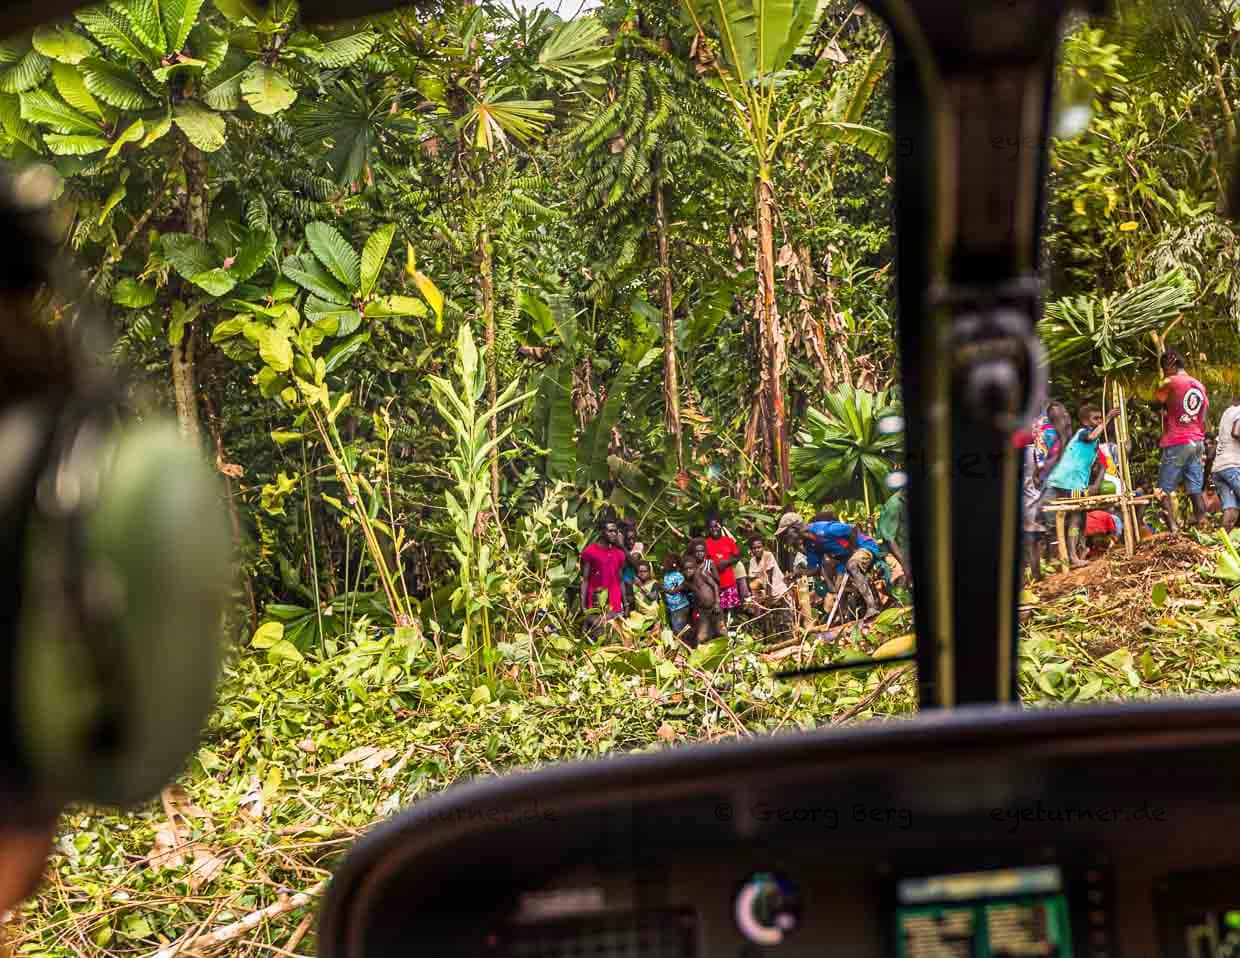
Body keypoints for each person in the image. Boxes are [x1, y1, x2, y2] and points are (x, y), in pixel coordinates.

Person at [1045, 404, 1120, 568]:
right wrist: (1108, 418)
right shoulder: (1083, 433)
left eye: (1100, 417)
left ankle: (1077, 551)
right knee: (1075, 519)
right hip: (1070, 481)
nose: (1099, 421)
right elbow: (1092, 436)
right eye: (1096, 418)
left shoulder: (1094, 438)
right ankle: (1072, 557)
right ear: (1085, 422)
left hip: (1069, 481)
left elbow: (1100, 461)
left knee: (1077, 518)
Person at [1154, 349, 1209, 531]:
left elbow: (1158, 402)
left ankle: (1173, 530)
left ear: (1170, 365)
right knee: (1194, 488)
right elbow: (1204, 415)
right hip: (1197, 442)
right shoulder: (1199, 385)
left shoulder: (1170, 381)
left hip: (1178, 442)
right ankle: (1202, 524)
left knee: (1162, 490)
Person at [1022, 401, 1070, 581]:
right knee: (1042, 529)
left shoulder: (1051, 433)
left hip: (1047, 486)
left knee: (1046, 527)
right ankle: (1042, 571)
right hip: (1040, 486)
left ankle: (1052, 567)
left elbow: (1048, 461)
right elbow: (1040, 460)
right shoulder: (1047, 433)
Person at [579, 519, 628, 621]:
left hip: (615, 606)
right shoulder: (590, 551)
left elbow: (620, 580)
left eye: (616, 531)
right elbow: (585, 580)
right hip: (596, 603)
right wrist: (583, 606)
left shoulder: (619, 554)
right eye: (610, 531)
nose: (614, 534)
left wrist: (626, 603)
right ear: (601, 532)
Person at [746, 535, 792, 638]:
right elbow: (753, 580)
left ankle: (789, 638)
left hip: (778, 590)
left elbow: (769, 576)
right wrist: (755, 599)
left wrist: (768, 595)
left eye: (759, 547)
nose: (757, 549)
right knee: (773, 621)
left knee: (785, 618)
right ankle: (776, 640)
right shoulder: (752, 561)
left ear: (763, 547)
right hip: (767, 593)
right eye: (754, 548)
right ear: (751, 549)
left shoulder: (768, 555)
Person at [703, 513, 744, 623]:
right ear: (708, 529)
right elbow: (704, 563)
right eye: (711, 527)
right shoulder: (706, 543)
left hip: (730, 582)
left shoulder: (728, 541)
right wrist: (714, 567)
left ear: (720, 526)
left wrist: (726, 562)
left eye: (716, 526)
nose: (714, 529)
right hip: (716, 585)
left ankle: (735, 632)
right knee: (720, 613)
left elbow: (737, 556)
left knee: (732, 612)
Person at [683, 553, 722, 648]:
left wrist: (717, 602)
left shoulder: (703, 574)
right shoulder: (688, 582)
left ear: (695, 568)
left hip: (714, 607)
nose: (688, 571)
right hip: (703, 611)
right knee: (702, 636)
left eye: (690, 568)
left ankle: (728, 651)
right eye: (686, 569)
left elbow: (715, 586)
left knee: (721, 630)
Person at [1214, 394, 1240, 531]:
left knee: (1231, 509)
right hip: (1233, 465)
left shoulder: (1228, 412)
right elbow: (1236, 432)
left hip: (1219, 468)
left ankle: (1222, 544)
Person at [876, 487, 911, 587]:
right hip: (891, 555)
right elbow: (889, 540)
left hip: (904, 553)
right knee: (901, 580)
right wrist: (905, 566)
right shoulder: (894, 505)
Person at [661, 555, 692, 639]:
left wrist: (661, 588)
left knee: (679, 630)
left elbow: (674, 591)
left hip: (680, 607)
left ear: (673, 564)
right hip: (673, 608)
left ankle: (685, 646)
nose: (663, 565)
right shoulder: (666, 575)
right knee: (677, 628)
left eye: (666, 563)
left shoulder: (679, 576)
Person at [619, 521, 645, 612]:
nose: (632, 542)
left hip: (635, 588)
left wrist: (622, 547)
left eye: (634, 539)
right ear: (624, 538)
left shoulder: (638, 546)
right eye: (629, 539)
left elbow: (634, 562)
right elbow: (621, 567)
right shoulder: (617, 548)